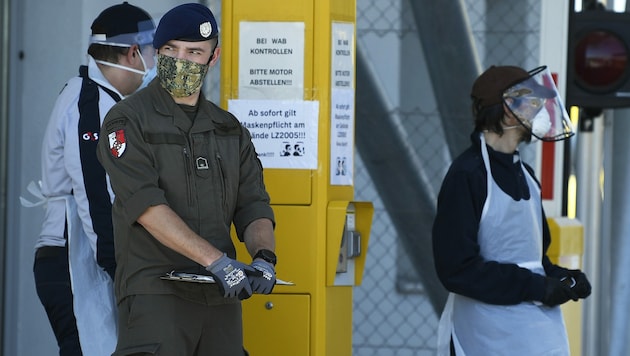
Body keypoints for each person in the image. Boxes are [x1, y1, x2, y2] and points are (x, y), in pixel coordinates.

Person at [95, 3, 277, 356]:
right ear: (156, 52)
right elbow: (145, 205)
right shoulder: (128, 120)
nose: (181, 60)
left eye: (194, 52)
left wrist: (264, 257)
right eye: (170, 50)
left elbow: (253, 204)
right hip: (156, 294)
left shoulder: (229, 129)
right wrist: (217, 261)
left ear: (214, 57)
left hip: (222, 296)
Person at [432, 65, 592, 355]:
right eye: (533, 103)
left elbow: (530, 259)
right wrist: (535, 287)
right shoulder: (467, 174)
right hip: (484, 336)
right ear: (507, 112)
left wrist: (561, 277)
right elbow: (456, 269)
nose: (542, 110)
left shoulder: (527, 176)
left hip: (533, 334)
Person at [29, 3, 155, 356]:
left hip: (89, 259)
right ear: (133, 53)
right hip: (74, 259)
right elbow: (96, 192)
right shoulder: (90, 105)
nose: (153, 63)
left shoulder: (100, 100)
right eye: (151, 52)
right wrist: (122, 273)